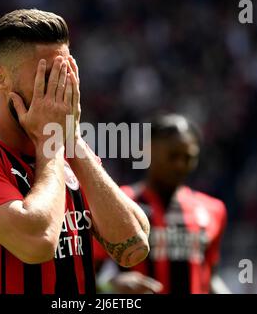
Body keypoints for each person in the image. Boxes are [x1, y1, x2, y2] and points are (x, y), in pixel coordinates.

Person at [0, 9, 150, 294]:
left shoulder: (68, 152)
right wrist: (53, 143)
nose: (58, 91)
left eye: (65, 76)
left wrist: (71, 138)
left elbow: (134, 247)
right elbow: (37, 243)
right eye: (46, 77)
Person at [95, 113, 230, 294]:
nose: (180, 165)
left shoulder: (213, 210)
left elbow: (209, 276)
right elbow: (85, 275)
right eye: (173, 156)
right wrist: (111, 285)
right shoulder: (119, 203)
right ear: (148, 150)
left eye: (188, 157)